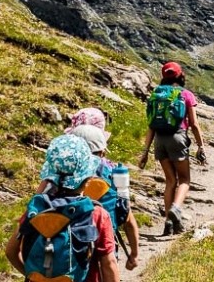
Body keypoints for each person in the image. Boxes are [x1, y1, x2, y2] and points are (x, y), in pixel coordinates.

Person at [5, 135, 119, 282]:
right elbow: (108, 264)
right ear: (88, 178)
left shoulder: (36, 209)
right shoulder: (96, 214)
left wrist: (33, 276)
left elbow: (11, 252)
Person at [138, 61, 205, 235]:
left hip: (159, 140)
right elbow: (195, 124)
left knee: (170, 181)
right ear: (180, 75)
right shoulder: (186, 94)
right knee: (184, 180)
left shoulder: (156, 94)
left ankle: (169, 224)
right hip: (178, 137)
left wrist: (145, 153)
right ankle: (176, 209)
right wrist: (201, 146)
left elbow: (151, 125)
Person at [69, 124, 141, 271]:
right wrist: (134, 254)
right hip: (104, 241)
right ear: (101, 152)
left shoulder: (62, 177)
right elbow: (126, 216)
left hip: (69, 243)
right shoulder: (113, 174)